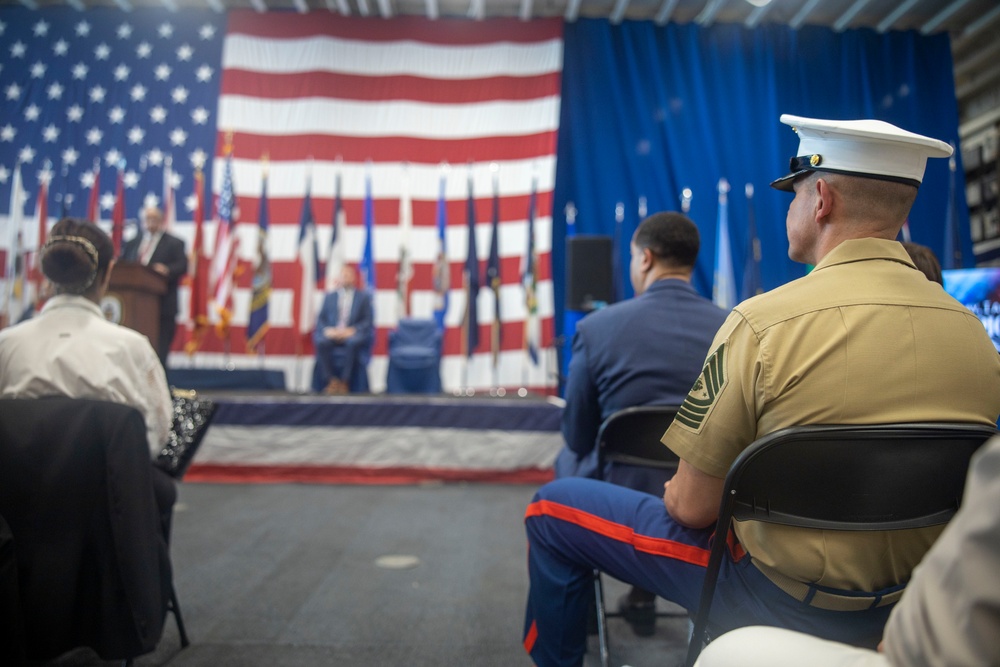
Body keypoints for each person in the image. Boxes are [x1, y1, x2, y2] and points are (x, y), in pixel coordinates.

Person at [522, 115, 1000, 667]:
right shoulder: (973, 336)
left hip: (771, 595)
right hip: (911, 603)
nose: (790, 206)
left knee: (550, 508)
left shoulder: (761, 323)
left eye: (793, 191)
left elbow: (694, 508)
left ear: (820, 197)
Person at [555, 211, 727, 633]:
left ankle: (579, 617)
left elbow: (577, 437)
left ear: (645, 258)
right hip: (710, 497)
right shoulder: (735, 328)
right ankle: (645, 596)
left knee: (564, 466)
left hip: (620, 492)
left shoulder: (596, 329)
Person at [694, 435, 1000, 667]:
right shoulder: (987, 360)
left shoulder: (757, 348)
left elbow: (691, 507)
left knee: (727, 653)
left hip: (780, 593)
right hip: (900, 595)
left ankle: (651, 614)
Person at [0, 218, 176, 538]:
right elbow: (155, 438)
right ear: (107, 275)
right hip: (105, 526)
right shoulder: (132, 348)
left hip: (14, 520)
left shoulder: (5, 345)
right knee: (162, 489)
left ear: (48, 274)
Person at [120, 206, 188, 366]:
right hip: (133, 307)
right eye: (147, 219)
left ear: (161, 221)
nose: (150, 222)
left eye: (154, 219)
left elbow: (183, 266)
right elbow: (124, 267)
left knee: (160, 348)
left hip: (162, 305)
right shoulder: (132, 243)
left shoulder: (174, 243)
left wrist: (166, 269)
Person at [313, 264, 374, 394]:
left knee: (353, 343)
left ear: (353, 278)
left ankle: (345, 382)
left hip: (352, 334)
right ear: (339, 278)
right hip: (333, 334)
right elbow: (321, 320)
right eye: (343, 275)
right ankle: (331, 381)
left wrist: (352, 330)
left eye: (348, 275)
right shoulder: (329, 297)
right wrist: (329, 330)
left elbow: (367, 321)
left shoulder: (363, 297)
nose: (345, 278)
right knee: (321, 342)